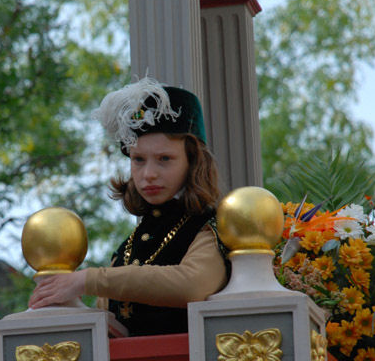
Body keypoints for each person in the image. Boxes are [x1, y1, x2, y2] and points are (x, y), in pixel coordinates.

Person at [28, 77, 229, 336]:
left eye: (164, 159)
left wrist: (85, 280)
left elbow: (193, 285)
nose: (149, 174)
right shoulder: (127, 248)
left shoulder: (212, 226)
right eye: (138, 160)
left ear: (193, 162)